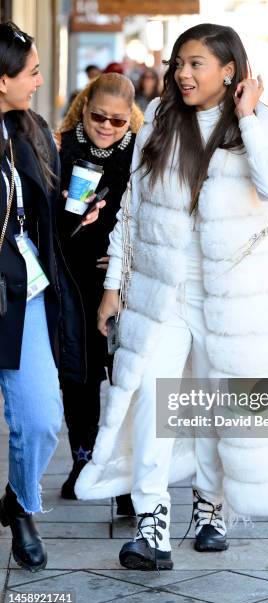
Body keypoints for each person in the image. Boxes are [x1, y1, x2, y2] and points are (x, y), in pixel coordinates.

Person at [76, 23, 268, 570]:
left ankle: (210, 503)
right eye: (180, 63)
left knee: (217, 403)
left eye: (197, 63)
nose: (183, 73)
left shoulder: (266, 125)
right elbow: (132, 211)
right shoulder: (158, 120)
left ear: (230, 70)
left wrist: (246, 116)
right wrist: (112, 290)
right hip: (162, 293)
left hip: (231, 300)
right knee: (155, 400)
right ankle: (152, 523)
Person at [0, 21, 104, 572]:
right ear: (1, 80)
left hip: (25, 296)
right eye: (33, 72)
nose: (40, 81)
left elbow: (43, 215)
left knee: (40, 419)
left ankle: (19, 503)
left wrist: (75, 213)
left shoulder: (33, 129)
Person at [55, 73, 143, 515]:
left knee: (125, 377)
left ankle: (125, 474)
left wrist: (127, 263)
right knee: (79, 376)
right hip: (73, 279)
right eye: (98, 117)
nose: (107, 127)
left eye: (118, 121)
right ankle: (83, 460)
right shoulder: (60, 148)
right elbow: (50, 221)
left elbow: (151, 219)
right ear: (84, 106)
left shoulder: (141, 154)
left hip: (125, 286)